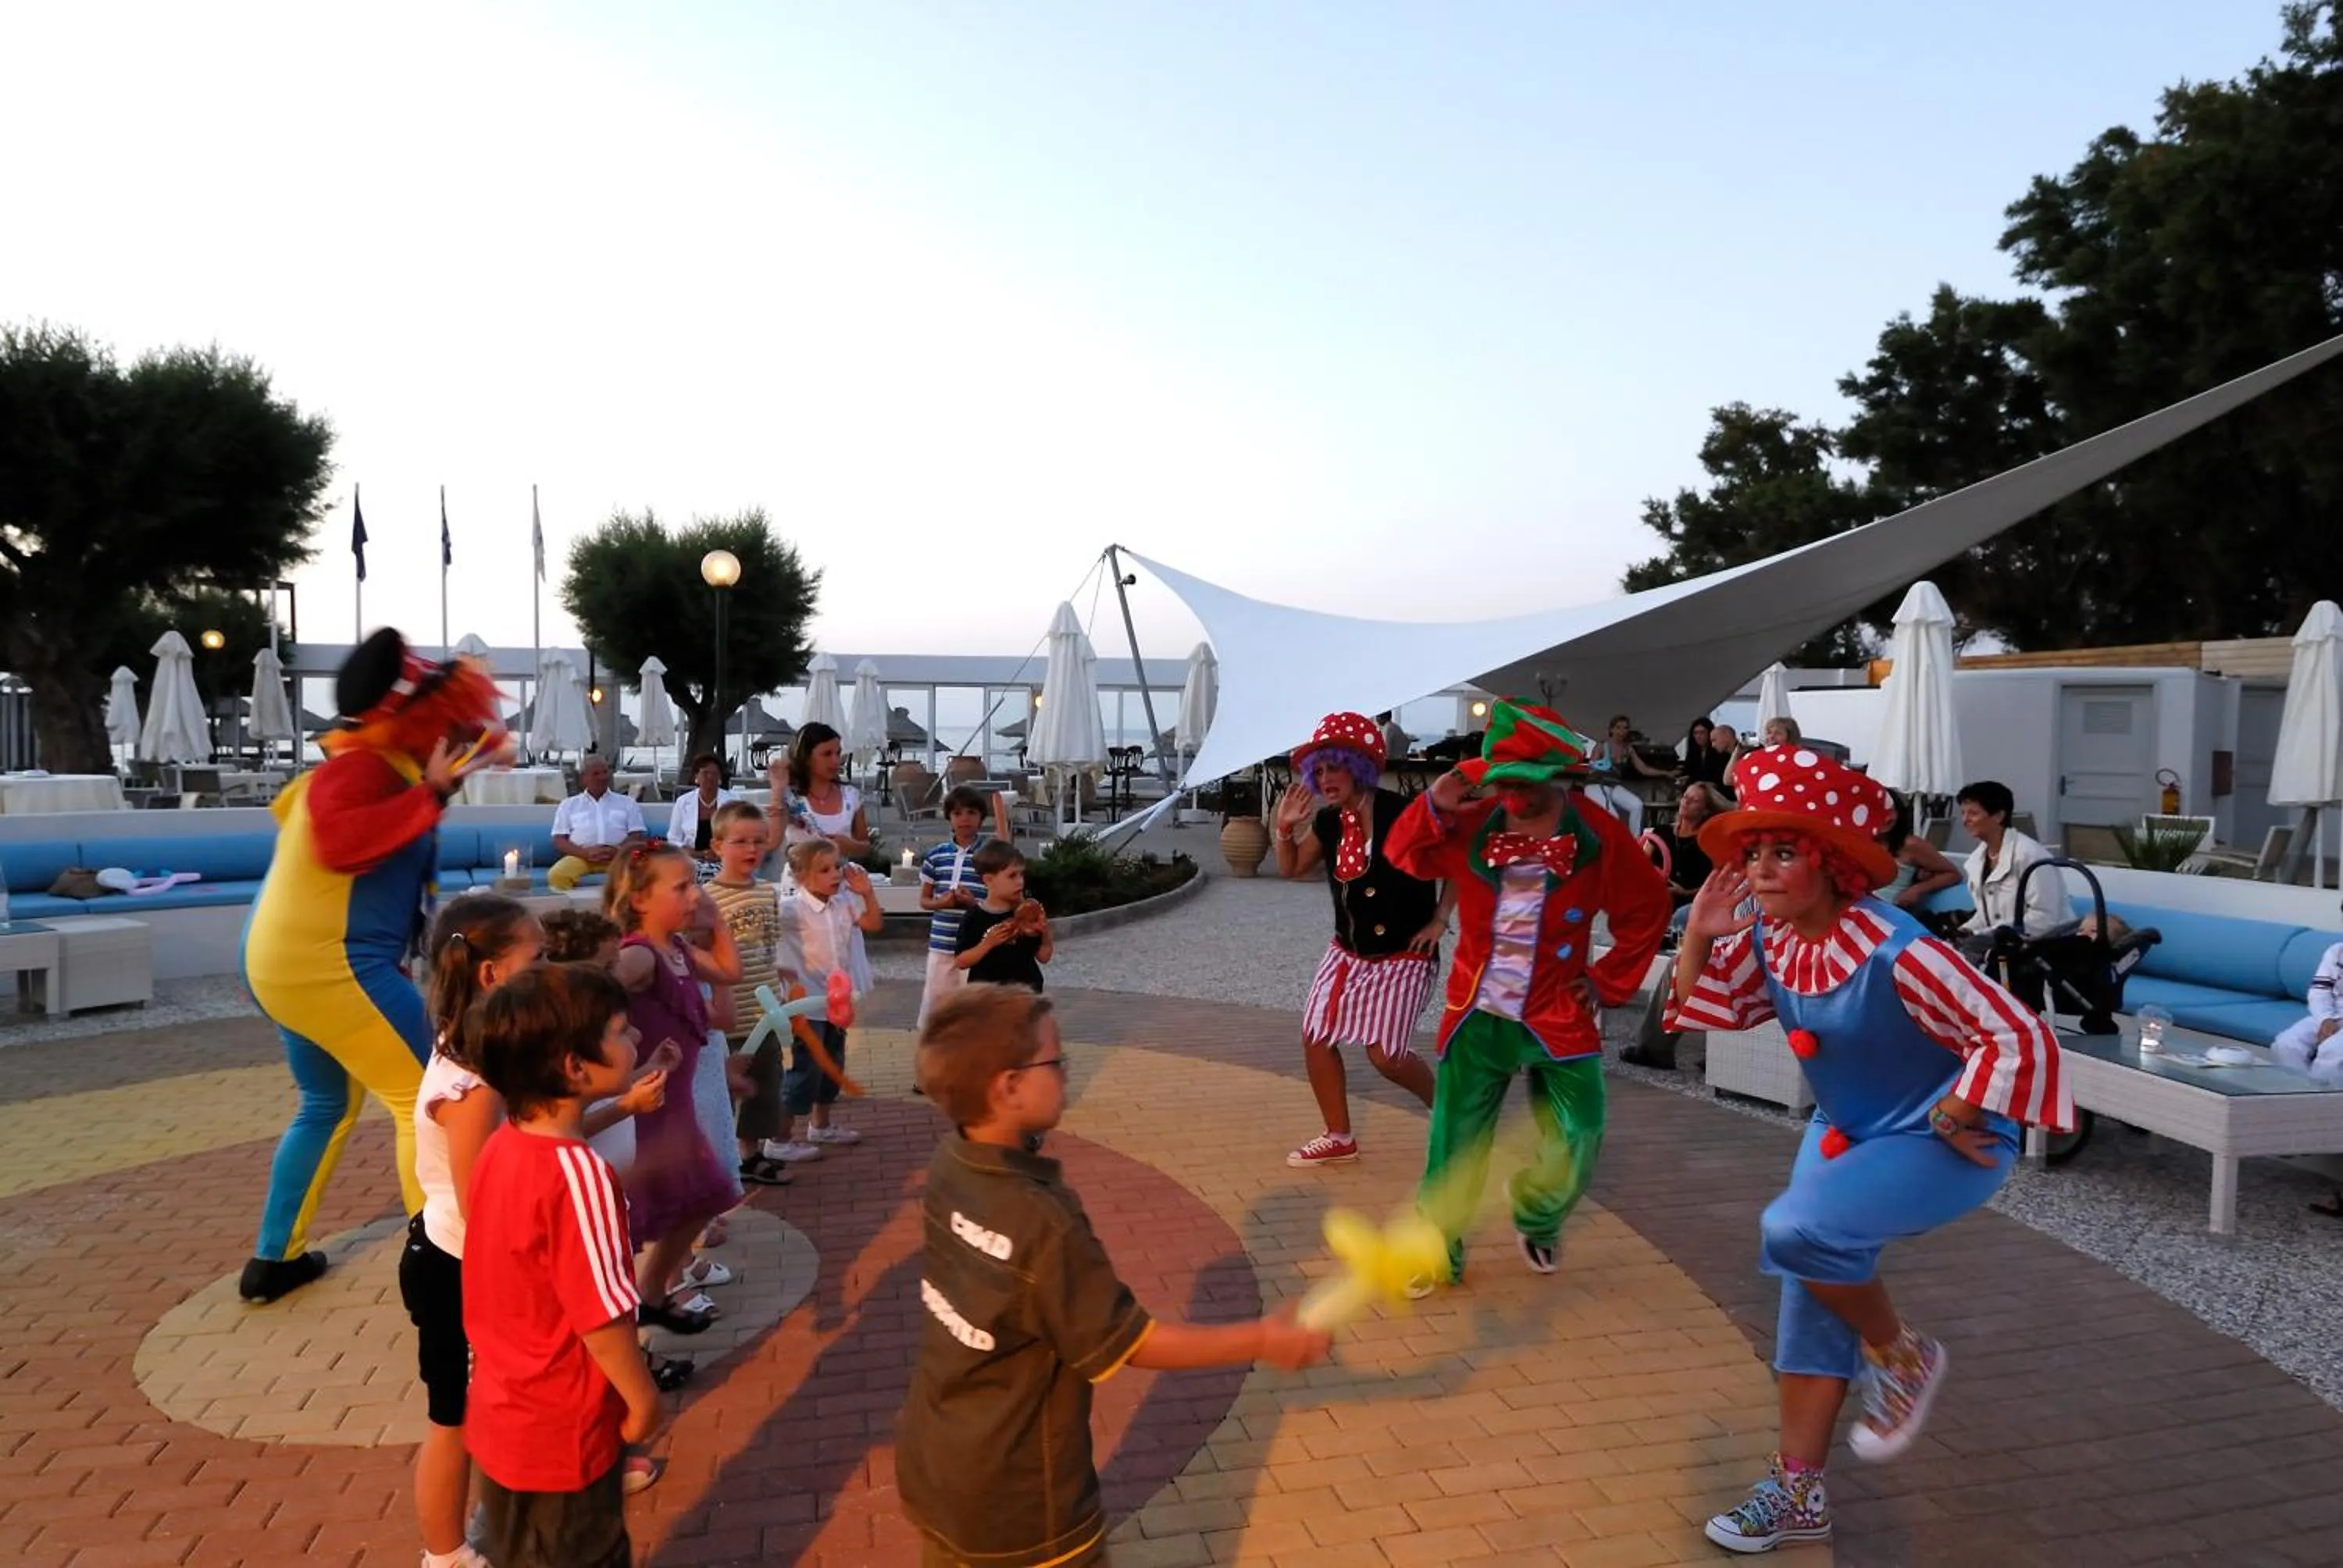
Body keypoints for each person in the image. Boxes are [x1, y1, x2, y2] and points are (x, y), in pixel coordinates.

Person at [1667, 744, 2071, 1555]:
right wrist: (1700, 939)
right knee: (1807, 1291)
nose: (1761, 870)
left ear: (1831, 862)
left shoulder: (1897, 947)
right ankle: (1798, 1493)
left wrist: (1954, 1113)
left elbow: (2017, 1034)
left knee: (1797, 1230)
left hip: (1939, 1135)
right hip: (1845, 1129)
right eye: (1753, 852)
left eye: (1784, 852)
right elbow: (1710, 1005)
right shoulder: (1776, 935)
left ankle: (1901, 1353)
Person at [897, 985, 1332, 1567]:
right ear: (1008, 1087)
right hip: (1022, 1503)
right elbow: (1131, 1343)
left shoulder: (951, 1165)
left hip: (937, 1468)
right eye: (1055, 1061)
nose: (1065, 1072)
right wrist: (1263, 1338)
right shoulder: (1042, 1222)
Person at [240, 629, 507, 1304]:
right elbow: (339, 844)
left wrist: (438, 786)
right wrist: (431, 796)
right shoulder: (361, 771)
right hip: (332, 964)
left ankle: (274, 1259)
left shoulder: (359, 768)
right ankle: (448, 1270)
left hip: (282, 964)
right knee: (432, 1099)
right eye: (450, 720)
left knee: (327, 1104)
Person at [1385, 700, 1671, 1283]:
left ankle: (1538, 1212)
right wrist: (1434, 801)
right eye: (1504, 781)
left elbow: (1647, 908)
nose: (1512, 794)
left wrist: (1605, 980)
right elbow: (1403, 855)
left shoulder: (1596, 834)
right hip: (1477, 1012)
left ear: (1555, 776)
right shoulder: (1473, 822)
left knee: (1580, 1133)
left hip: (1557, 1010)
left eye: (1525, 782)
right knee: (1456, 1141)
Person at [462, 964, 663, 1568]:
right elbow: (603, 1315)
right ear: (574, 1067)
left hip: (505, 1416)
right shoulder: (580, 1176)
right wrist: (642, 1398)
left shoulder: (503, 1147)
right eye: (621, 1031)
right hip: (565, 1430)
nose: (635, 1039)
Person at [401, 895, 537, 1568]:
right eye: (538, 958)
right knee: (452, 1417)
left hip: (468, 1259)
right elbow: (481, 1201)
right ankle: (446, 1555)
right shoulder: (471, 1082)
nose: (548, 969)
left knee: (489, 1405)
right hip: (458, 1267)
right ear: (491, 974)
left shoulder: (482, 1050)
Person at [1271, 711, 1446, 1169]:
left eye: (1335, 767)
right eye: (1319, 771)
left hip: (1406, 953)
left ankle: (1450, 1114)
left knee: (1386, 1056)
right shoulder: (1329, 823)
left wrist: (1440, 920)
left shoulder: (1404, 813)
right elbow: (1291, 869)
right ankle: (1339, 1137)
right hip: (1348, 951)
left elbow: (1461, 860)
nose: (1325, 779)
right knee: (1316, 1034)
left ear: (1358, 767)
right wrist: (1285, 829)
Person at [605, 843, 744, 1331]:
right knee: (628, 1221)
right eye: (682, 888)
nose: (695, 896)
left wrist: (716, 923)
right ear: (640, 899)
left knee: (705, 1197)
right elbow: (594, 994)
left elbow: (730, 973)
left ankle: (650, 1292)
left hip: (676, 1106)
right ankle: (621, 1317)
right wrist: (623, 1037)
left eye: (696, 885)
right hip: (649, 1110)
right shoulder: (639, 956)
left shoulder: (678, 950)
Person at [769, 837, 885, 1160]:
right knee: (805, 1070)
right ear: (801, 877)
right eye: (824, 870)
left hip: (837, 1003)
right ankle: (779, 1139)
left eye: (837, 866)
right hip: (805, 1005)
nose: (835, 874)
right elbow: (765, 938)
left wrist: (867, 893)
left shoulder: (843, 903)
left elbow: (873, 924)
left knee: (833, 1063)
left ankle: (821, 1125)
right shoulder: (790, 909)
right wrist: (780, 974)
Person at [705, 801, 791, 1187]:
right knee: (723, 1090)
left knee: (764, 1085)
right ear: (717, 846)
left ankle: (750, 1153)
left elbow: (769, 944)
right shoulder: (707, 899)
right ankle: (718, 1155)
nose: (751, 849)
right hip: (728, 1015)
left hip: (765, 1012)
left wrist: (781, 977)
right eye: (740, 842)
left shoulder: (767, 892)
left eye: (758, 841)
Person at [917, 786, 1017, 1027]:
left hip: (976, 944)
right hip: (942, 943)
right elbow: (925, 900)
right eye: (957, 813)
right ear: (949, 818)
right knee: (937, 1002)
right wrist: (943, 902)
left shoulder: (989, 856)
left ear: (981, 817)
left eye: (971, 812)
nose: (965, 819)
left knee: (974, 1004)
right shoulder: (936, 856)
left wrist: (974, 904)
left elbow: (1000, 898)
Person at [1956, 780, 2072, 937]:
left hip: (2045, 944)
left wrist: (1986, 936)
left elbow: (2044, 918)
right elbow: (1987, 916)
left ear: (1998, 816)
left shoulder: (2030, 855)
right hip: (2002, 945)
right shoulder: (1977, 860)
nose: (1965, 820)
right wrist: (1966, 930)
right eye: (1963, 813)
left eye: (1973, 814)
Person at [954, 840, 1054, 992]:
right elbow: (961, 961)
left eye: (1021, 875)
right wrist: (988, 944)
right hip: (989, 996)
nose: (1020, 882)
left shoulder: (1024, 912)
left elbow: (1044, 957)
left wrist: (1045, 932)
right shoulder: (974, 917)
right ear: (989, 880)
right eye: (1012, 876)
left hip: (1027, 993)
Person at [774, 720, 872, 861]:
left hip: (839, 873)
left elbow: (865, 846)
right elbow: (772, 841)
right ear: (806, 757)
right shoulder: (790, 798)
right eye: (827, 754)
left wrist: (851, 846)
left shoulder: (850, 796)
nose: (836, 761)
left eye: (838, 753)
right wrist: (777, 789)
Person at [548, 756, 647, 892]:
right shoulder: (568, 805)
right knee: (557, 875)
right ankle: (571, 905)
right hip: (581, 857)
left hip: (619, 857)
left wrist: (618, 850)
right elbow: (559, 840)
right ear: (583, 778)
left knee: (643, 872)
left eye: (605, 772)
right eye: (596, 774)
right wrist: (585, 853)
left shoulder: (628, 803)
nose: (603, 777)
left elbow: (637, 835)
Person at [1584, 713, 1670, 834]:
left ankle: (1635, 841)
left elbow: (1643, 769)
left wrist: (1666, 773)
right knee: (1613, 816)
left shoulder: (1627, 749)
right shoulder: (1602, 746)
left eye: (1625, 728)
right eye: (1618, 728)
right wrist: (1601, 766)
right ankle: (1609, 844)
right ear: (1611, 730)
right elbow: (1591, 767)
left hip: (1613, 786)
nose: (1621, 731)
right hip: (1596, 786)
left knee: (1637, 805)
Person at [2273, 937, 2343, 1082]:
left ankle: (2323, 1094)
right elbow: (2319, 991)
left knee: (2331, 1051)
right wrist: (2326, 1019)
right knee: (2286, 1044)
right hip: (2333, 1012)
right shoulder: (2337, 951)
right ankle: (2298, 1088)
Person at [1882, 793, 1963, 915]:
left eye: (1891, 811)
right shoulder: (1859, 842)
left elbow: (1953, 874)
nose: (1888, 817)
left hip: (1890, 913)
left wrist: (1917, 890)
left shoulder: (1910, 845)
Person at [665, 754, 738, 867]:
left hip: (726, 862)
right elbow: (674, 839)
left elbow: (740, 836)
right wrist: (700, 854)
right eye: (705, 773)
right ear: (696, 777)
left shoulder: (733, 801)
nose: (710, 777)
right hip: (691, 862)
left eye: (714, 774)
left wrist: (722, 853)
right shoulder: (683, 802)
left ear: (719, 778)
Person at [1679, 717, 1728, 786]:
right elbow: (1689, 772)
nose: (1698, 736)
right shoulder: (1692, 754)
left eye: (1702, 733)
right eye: (1696, 733)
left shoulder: (1720, 752)